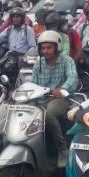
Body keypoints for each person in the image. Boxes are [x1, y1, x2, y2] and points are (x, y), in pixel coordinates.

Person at [31, 31, 79, 167]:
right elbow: (33, 83)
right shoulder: (38, 64)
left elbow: (73, 78)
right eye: (43, 48)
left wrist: (62, 88)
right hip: (41, 99)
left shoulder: (66, 60)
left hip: (62, 99)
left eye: (49, 48)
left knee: (47, 113)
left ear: (57, 47)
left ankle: (62, 149)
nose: (45, 51)